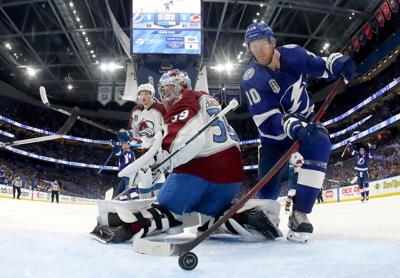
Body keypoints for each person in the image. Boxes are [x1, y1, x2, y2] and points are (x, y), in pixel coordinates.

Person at [91, 69, 283, 243]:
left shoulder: (185, 99)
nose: (165, 95)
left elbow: (187, 141)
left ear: (182, 86)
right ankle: (243, 217)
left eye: (169, 89)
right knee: (209, 212)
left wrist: (159, 161)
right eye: (163, 90)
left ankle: (125, 226)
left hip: (200, 171)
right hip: (231, 178)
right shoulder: (207, 98)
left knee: (168, 207)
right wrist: (134, 137)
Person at [240, 22, 355, 243]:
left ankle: (299, 213)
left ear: (272, 42)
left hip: (305, 122)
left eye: (261, 44)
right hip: (274, 138)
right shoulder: (251, 78)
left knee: (321, 143)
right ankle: (267, 215)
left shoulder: (294, 54)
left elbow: (322, 67)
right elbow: (266, 121)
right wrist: (289, 124)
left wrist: (338, 63)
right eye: (252, 46)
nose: (257, 50)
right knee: (267, 188)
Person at [117, 83, 166, 198]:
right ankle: (146, 203)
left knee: (156, 177)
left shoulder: (161, 109)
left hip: (159, 150)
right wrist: (128, 135)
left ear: (152, 95)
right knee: (145, 177)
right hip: (144, 151)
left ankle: (159, 202)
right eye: (140, 94)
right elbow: (135, 132)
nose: (143, 97)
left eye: (146, 94)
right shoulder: (135, 111)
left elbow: (167, 127)